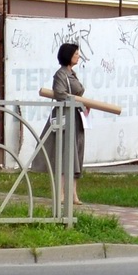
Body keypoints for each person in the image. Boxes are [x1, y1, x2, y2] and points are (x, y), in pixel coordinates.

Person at [52, 42, 89, 204]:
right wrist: (76, 101)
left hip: (77, 117)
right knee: (64, 153)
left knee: (77, 153)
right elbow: (59, 93)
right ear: (68, 56)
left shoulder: (72, 73)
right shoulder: (61, 74)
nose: (78, 56)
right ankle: (60, 194)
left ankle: (73, 194)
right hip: (66, 118)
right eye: (75, 54)